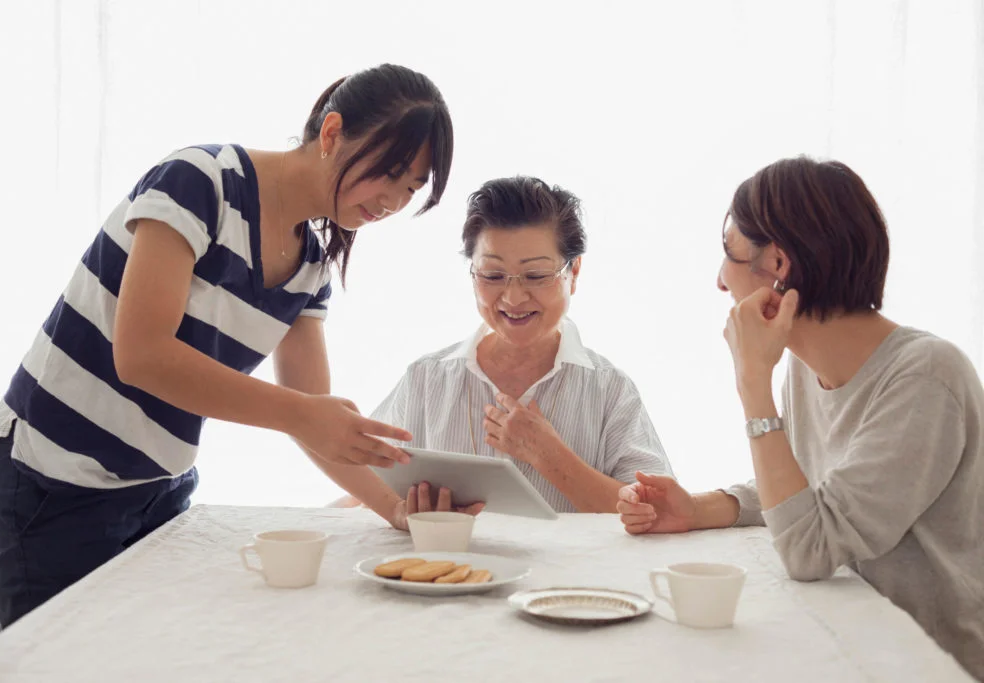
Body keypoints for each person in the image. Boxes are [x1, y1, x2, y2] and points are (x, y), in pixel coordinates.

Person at [0, 63, 454, 629]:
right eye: (391, 171)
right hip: (53, 477)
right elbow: (143, 355)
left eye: (412, 187)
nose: (394, 200)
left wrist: (394, 507)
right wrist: (305, 414)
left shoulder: (310, 266)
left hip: (158, 490)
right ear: (331, 134)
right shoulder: (201, 181)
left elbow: (312, 417)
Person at [617, 157, 984, 679]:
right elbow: (811, 491)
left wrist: (751, 385)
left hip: (924, 663)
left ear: (779, 265)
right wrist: (697, 509)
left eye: (730, 254)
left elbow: (809, 548)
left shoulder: (925, 378)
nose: (721, 281)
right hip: (851, 639)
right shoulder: (803, 367)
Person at [331, 176, 672, 522]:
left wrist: (551, 458)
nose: (513, 298)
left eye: (536, 275)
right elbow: (365, 483)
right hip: (449, 573)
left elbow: (659, 513)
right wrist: (407, 510)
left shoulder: (610, 390)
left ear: (575, 271)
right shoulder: (426, 378)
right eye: (492, 276)